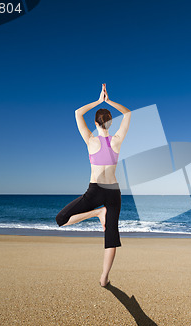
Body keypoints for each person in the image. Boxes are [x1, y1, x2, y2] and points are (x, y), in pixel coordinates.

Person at [55, 83, 132, 287]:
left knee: (61, 219)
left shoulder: (90, 140)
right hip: (113, 192)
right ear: (110, 123)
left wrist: (99, 100)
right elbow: (128, 113)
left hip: (95, 191)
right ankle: (104, 278)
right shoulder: (117, 140)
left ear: (96, 124)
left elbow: (78, 112)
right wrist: (108, 101)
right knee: (111, 238)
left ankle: (97, 213)